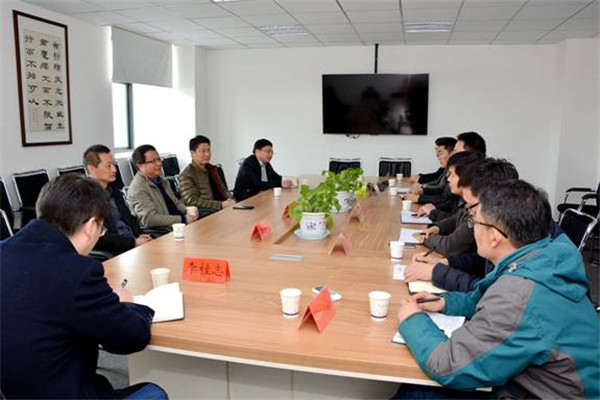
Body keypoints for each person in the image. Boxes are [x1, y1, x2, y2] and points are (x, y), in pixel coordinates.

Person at [395, 180, 599, 398]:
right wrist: (446, 302)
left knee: (418, 393)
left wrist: (413, 320)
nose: (473, 227)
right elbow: (488, 297)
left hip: (548, 394)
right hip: (552, 383)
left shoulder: (518, 292)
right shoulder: (543, 256)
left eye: (475, 221)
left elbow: (448, 365)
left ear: (494, 236)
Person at [0, 174, 166, 399]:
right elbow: (131, 338)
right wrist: (126, 304)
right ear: (90, 225)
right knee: (155, 393)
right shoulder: (77, 271)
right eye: (101, 229)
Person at [404, 158, 519, 290]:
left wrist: (437, 273)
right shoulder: (501, 237)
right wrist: (446, 263)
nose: (471, 218)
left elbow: (486, 291)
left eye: (472, 210)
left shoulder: (519, 268)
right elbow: (482, 262)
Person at [412, 151, 484, 256]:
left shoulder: (478, 208)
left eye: (452, 175)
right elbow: (455, 219)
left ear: (465, 177)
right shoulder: (468, 202)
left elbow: (450, 246)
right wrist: (437, 228)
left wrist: (426, 237)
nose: (448, 179)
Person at [84, 144, 152, 256]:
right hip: (114, 253)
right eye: (108, 166)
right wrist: (133, 242)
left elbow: (129, 218)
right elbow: (100, 238)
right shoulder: (85, 197)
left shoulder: (114, 191)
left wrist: (140, 234)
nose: (114, 169)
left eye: (114, 165)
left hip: (133, 246)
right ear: (92, 168)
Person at [127, 144, 198, 230]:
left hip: (180, 225)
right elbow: (149, 219)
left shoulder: (163, 181)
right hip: (166, 231)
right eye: (153, 161)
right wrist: (183, 219)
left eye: (159, 159)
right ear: (140, 165)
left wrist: (187, 210)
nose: (159, 163)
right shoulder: (137, 188)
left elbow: (176, 203)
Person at [179, 135, 235, 215]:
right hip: (208, 213)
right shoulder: (186, 175)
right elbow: (191, 201)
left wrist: (231, 199)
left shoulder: (212, 169)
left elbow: (223, 189)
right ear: (192, 153)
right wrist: (220, 205)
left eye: (209, 150)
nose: (207, 154)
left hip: (224, 209)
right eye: (203, 151)